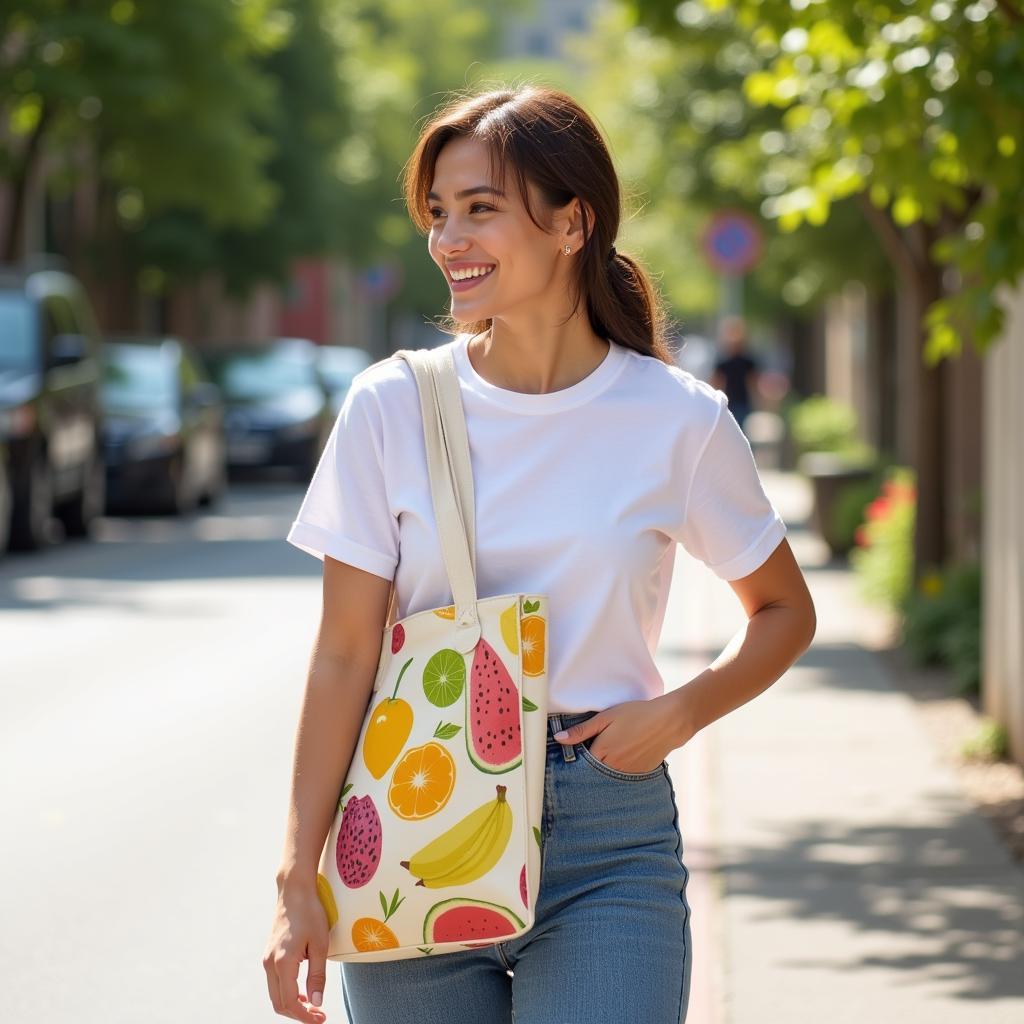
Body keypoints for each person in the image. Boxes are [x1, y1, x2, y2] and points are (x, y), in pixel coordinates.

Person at [263, 85, 816, 1024]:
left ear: (572, 224)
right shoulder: (389, 408)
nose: (449, 240)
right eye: (438, 213)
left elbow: (783, 611)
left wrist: (679, 712)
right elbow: (345, 655)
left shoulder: (677, 419)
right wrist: (296, 875)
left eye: (480, 209)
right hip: (410, 819)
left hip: (608, 837)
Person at [711, 315, 760, 435]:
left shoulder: (748, 361)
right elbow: (716, 382)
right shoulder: (723, 361)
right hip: (728, 402)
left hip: (743, 402)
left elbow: (753, 381)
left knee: (741, 431)